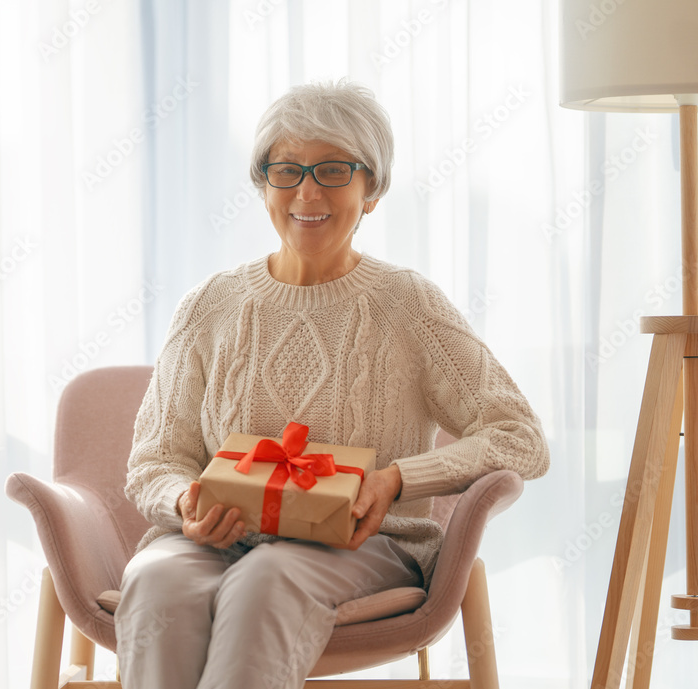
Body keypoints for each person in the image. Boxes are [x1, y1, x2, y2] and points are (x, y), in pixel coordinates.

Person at [115, 80, 549, 689]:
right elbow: (156, 459)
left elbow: (520, 437)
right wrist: (186, 502)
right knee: (156, 579)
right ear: (263, 185)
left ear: (372, 189)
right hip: (214, 539)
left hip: (362, 548)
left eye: (334, 170)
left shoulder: (409, 305)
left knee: (266, 578)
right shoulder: (210, 305)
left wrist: (397, 480)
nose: (307, 192)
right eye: (286, 171)